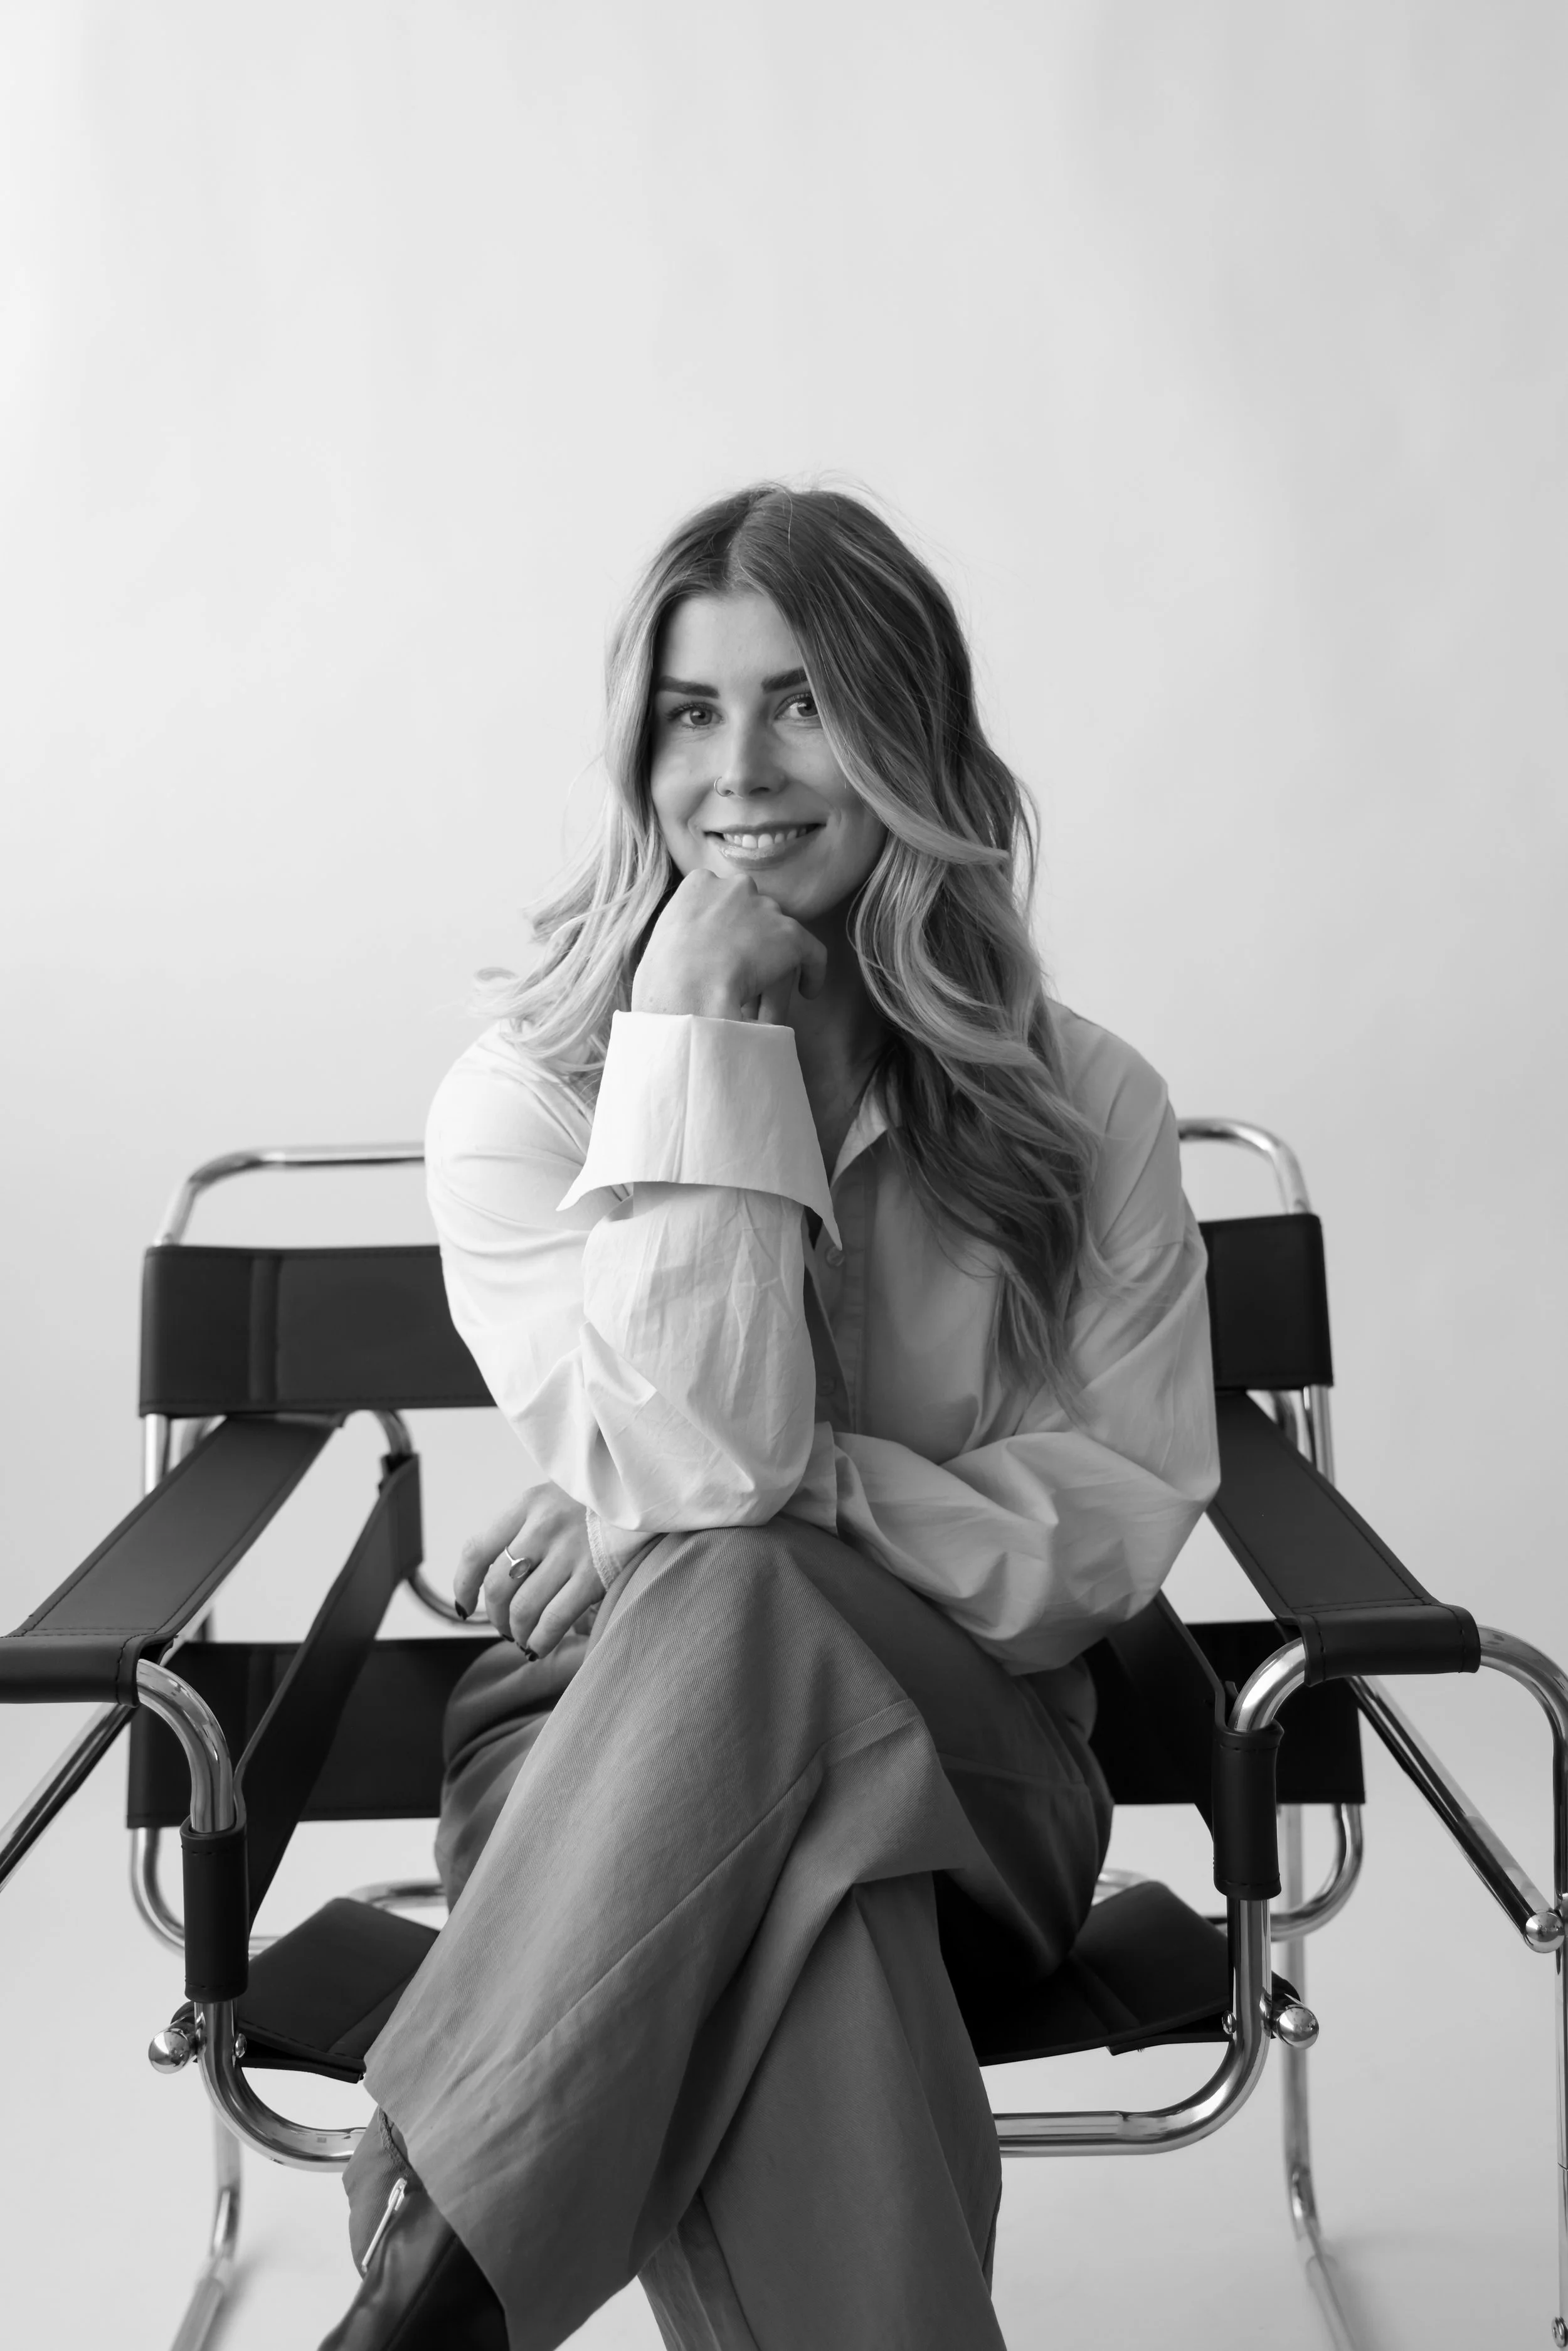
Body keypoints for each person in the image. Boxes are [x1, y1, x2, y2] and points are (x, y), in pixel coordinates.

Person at [319, 484, 1220, 2351]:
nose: (737, 764)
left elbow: (1100, 1529)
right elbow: (707, 1469)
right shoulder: (528, 1102)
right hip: (587, 1771)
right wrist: (693, 1047)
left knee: (739, 1596)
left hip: (979, 1771)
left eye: (801, 701)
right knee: (817, 1924)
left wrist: (774, 1496)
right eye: (686, 708)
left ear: (907, 732)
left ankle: (427, 2282)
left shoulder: (1080, 1106)